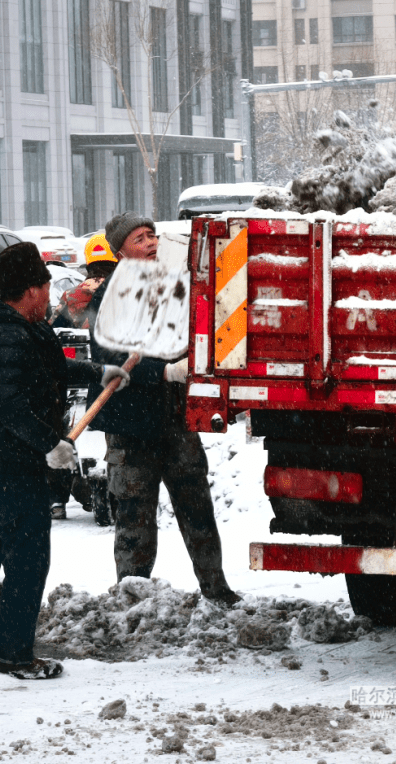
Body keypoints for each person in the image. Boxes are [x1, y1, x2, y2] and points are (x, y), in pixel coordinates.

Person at [0, 243, 130, 680]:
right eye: (44, 286)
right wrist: (49, 444)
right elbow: (9, 405)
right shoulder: (6, 336)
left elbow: (50, 370)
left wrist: (97, 373)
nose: (50, 294)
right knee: (27, 557)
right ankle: (14, 655)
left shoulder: (23, 327)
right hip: (7, 465)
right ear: (28, 291)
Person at [85, 212, 240, 606]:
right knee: (134, 517)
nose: (151, 243)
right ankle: (132, 597)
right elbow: (111, 356)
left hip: (175, 420)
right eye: (139, 239)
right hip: (131, 425)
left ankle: (216, 589)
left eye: (152, 235)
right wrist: (164, 370)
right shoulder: (109, 299)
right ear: (121, 252)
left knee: (196, 506)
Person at [46, 233, 119, 521]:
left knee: (63, 435)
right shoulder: (120, 290)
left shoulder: (74, 295)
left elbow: (55, 331)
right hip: (110, 374)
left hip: (76, 378)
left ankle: (57, 500)